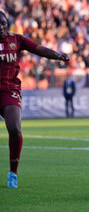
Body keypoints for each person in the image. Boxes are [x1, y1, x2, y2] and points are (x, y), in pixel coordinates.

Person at [0, 11, 69, 188]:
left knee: (15, 129)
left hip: (9, 90)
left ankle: (13, 173)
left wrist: (58, 55)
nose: (1, 27)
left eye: (3, 23)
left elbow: (39, 49)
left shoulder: (16, 40)